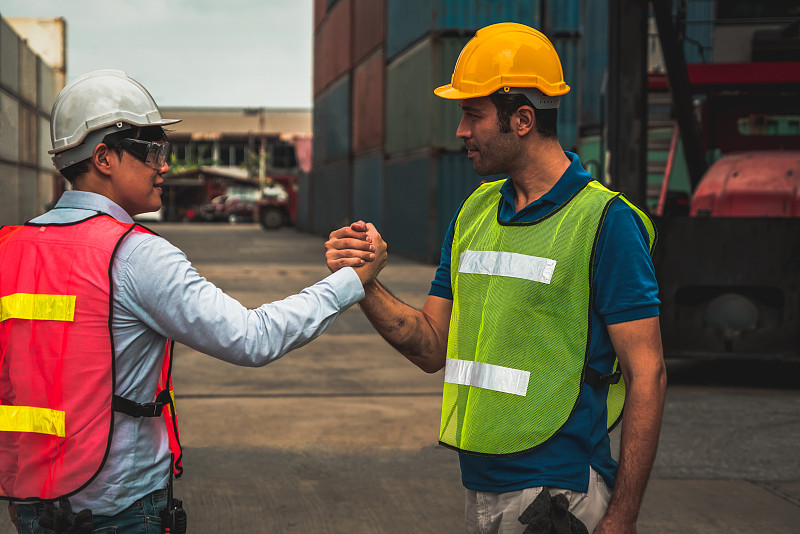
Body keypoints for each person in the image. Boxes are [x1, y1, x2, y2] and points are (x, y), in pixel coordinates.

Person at [0, 69, 386, 534]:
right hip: (117, 510)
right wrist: (350, 281)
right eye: (151, 151)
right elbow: (251, 337)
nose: (164, 165)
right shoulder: (135, 254)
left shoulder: (10, 247)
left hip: (32, 502)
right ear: (103, 156)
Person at [325, 23, 666, 534]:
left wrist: (623, 515)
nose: (461, 131)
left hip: (560, 492)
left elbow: (649, 374)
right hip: (479, 484)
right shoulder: (475, 212)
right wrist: (364, 284)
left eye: (471, 114)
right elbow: (430, 347)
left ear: (522, 119)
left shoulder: (605, 223)